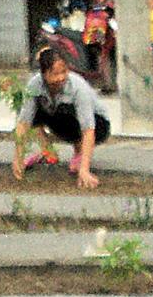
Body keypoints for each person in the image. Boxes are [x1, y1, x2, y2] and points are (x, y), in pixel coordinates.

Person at [11, 46, 107, 190]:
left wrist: (85, 170)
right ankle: (47, 150)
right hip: (60, 120)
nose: (61, 78)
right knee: (28, 109)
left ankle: (79, 151)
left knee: (65, 109)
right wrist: (18, 158)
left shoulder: (77, 87)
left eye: (64, 72)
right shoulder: (34, 85)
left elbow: (88, 129)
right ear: (43, 74)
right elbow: (23, 123)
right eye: (55, 74)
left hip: (97, 124)